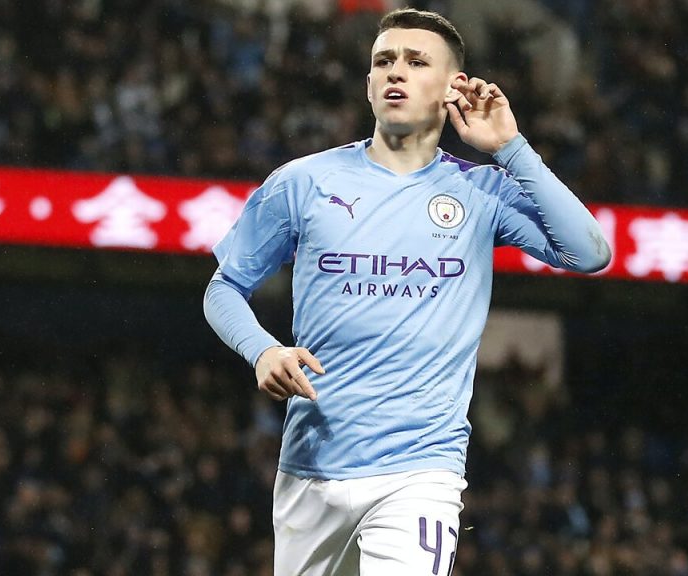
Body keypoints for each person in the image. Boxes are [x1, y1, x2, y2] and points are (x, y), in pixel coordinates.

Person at [204, 8, 610, 575]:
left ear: (453, 88)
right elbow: (224, 288)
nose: (395, 71)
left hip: (420, 470)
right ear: (369, 84)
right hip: (311, 464)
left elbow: (589, 252)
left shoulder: (482, 191)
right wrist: (263, 350)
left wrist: (511, 147)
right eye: (384, 61)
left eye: (417, 62)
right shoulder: (304, 182)